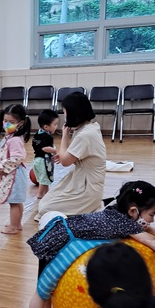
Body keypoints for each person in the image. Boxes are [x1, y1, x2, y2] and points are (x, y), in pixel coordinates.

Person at [25, 180, 155, 308]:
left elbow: (144, 229)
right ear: (133, 211)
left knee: (46, 287)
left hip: (61, 233)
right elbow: (150, 242)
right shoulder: (125, 223)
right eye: (151, 215)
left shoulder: (116, 210)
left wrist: (153, 230)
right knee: (42, 290)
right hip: (62, 241)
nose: (152, 220)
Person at [36, 92, 106, 222]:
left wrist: (64, 136)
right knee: (46, 201)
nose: (65, 116)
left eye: (65, 113)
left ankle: (90, 207)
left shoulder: (84, 135)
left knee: (45, 208)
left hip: (87, 188)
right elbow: (78, 156)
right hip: (81, 180)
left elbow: (65, 162)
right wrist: (66, 155)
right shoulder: (89, 127)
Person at [0, 104, 31, 235]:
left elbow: (17, 157)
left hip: (13, 175)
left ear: (20, 123)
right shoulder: (11, 136)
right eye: (5, 121)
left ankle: (13, 226)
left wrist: (2, 168)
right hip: (14, 174)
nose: (7, 124)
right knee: (16, 201)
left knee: (14, 203)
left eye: (11, 122)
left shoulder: (14, 139)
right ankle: (17, 224)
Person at [32, 109, 59, 200]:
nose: (56, 126)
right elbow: (44, 148)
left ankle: (47, 193)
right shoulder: (47, 137)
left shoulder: (37, 134)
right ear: (46, 127)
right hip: (43, 161)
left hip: (37, 160)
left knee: (45, 178)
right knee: (44, 179)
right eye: (55, 124)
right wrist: (55, 151)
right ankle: (40, 194)